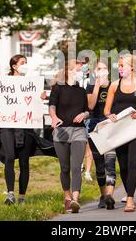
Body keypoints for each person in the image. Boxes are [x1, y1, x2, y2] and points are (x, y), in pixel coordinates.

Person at [0, 54, 46, 205]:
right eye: (22, 63)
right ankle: (10, 193)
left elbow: (36, 104)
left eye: (26, 62)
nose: (25, 65)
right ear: (14, 66)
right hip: (7, 127)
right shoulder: (2, 83)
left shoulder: (32, 83)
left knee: (24, 162)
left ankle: (22, 197)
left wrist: (41, 97)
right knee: (9, 158)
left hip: (25, 127)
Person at [103, 54, 136, 212]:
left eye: (123, 65)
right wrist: (108, 115)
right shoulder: (114, 85)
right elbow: (106, 109)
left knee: (132, 163)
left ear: (132, 67)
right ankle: (129, 192)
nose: (120, 68)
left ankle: (130, 199)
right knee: (123, 166)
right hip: (119, 131)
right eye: (119, 65)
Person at [49, 60, 90, 214]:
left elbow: (87, 110)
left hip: (79, 131)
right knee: (65, 167)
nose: (81, 72)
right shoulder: (58, 88)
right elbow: (52, 105)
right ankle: (67, 197)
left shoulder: (81, 90)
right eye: (79, 69)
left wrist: (83, 114)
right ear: (70, 71)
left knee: (76, 167)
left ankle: (75, 200)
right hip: (61, 131)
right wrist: (53, 117)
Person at [85, 59, 117, 209]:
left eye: (104, 68)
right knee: (99, 166)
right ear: (94, 71)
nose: (102, 71)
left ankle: (110, 195)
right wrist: (97, 85)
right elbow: (90, 105)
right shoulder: (90, 85)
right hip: (94, 126)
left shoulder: (114, 85)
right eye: (99, 68)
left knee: (110, 162)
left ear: (109, 71)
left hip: (110, 126)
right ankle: (103, 195)